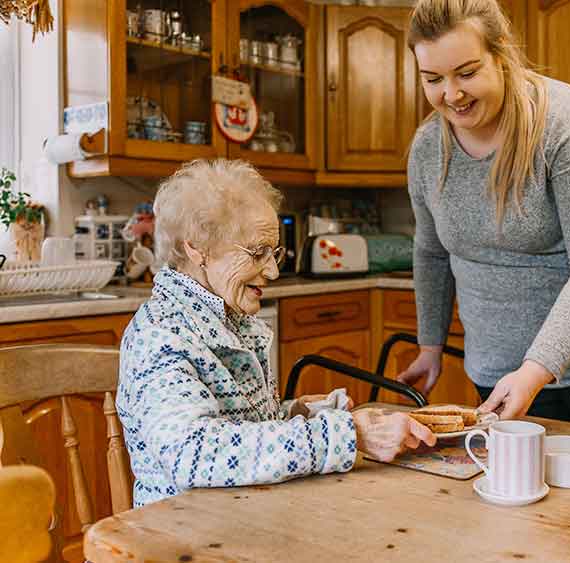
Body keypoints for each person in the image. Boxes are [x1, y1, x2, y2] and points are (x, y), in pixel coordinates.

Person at [397, 0, 570, 429]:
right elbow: (431, 252)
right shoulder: (428, 148)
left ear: (501, 52)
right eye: (433, 79)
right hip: (496, 371)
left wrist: (535, 369)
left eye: (467, 73)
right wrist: (430, 346)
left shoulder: (569, 124)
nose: (451, 95)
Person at [117, 159, 435, 507]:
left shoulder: (228, 315)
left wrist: (296, 413)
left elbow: (238, 428)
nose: (272, 271)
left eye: (274, 253)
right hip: (180, 528)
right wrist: (349, 434)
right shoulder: (161, 333)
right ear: (197, 248)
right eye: (257, 253)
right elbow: (194, 454)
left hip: (244, 511)